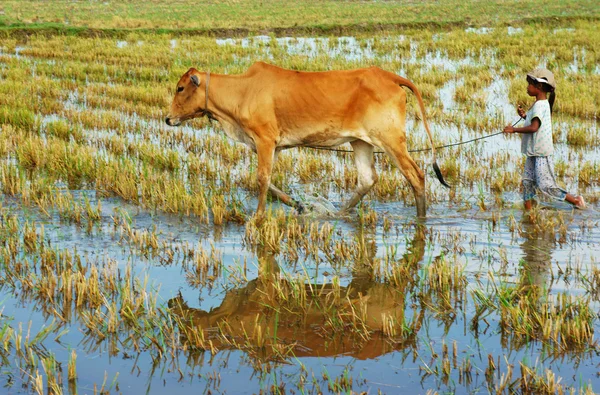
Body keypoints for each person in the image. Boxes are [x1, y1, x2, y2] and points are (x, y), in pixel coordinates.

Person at [503, 68, 585, 210]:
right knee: (527, 182)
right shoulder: (538, 104)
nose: (527, 88)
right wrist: (524, 116)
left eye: (529, 84)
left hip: (541, 152)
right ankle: (528, 212)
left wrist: (514, 129)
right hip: (533, 151)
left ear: (539, 86)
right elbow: (536, 123)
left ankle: (576, 201)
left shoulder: (540, 105)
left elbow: (534, 127)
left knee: (546, 186)